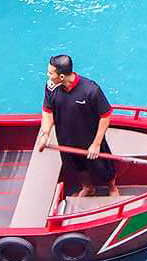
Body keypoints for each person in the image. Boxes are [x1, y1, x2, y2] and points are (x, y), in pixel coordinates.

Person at [37, 55, 116, 198]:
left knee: (103, 166)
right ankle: (88, 188)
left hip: (89, 139)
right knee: (77, 166)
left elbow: (106, 115)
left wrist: (96, 143)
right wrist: (45, 133)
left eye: (50, 73)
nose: (48, 76)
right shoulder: (51, 87)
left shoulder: (90, 90)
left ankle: (112, 188)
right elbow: (47, 111)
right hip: (66, 139)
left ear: (61, 76)